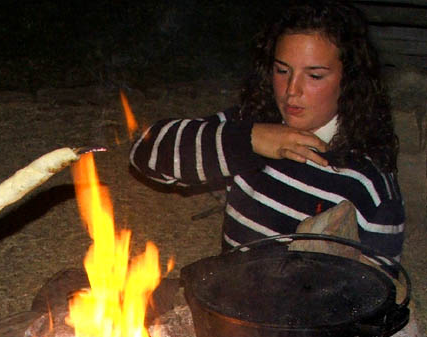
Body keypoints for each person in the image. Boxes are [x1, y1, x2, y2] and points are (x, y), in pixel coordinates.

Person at [130, 0, 404, 260]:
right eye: (282, 70)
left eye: (315, 76)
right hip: (226, 298)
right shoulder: (253, 126)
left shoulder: (367, 181)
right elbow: (144, 154)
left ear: (350, 81)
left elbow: (381, 291)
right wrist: (250, 139)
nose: (291, 90)